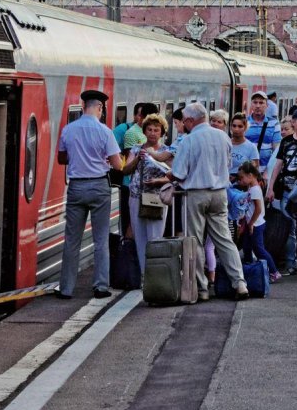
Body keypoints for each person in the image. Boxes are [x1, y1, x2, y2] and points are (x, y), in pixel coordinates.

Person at [169, 103, 249, 300]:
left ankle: (202, 288)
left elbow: (179, 173)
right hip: (220, 193)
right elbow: (228, 164)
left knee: (195, 241)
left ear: (190, 120)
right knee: (224, 239)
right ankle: (239, 283)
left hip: (196, 194)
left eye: (185, 121)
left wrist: (166, 176)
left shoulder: (188, 141)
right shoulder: (223, 137)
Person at [57, 90, 124, 299]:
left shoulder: (68, 129)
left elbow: (61, 159)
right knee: (101, 239)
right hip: (99, 187)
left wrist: (79, 158)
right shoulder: (105, 131)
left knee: (71, 240)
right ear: (100, 108)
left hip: (76, 187)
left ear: (84, 106)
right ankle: (101, 287)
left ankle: (66, 289)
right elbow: (118, 165)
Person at [119, 113, 172, 273]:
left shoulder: (166, 152)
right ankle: (143, 273)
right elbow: (125, 170)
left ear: (162, 132)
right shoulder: (136, 149)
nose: (152, 133)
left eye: (156, 130)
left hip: (157, 197)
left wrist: (158, 181)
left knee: (155, 236)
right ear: (144, 131)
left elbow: (173, 175)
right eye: (149, 129)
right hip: (136, 196)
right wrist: (137, 159)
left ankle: (154, 273)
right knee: (139, 236)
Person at [266, 108, 297, 275]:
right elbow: (278, 165)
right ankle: (290, 262)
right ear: (294, 122)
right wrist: (271, 188)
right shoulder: (286, 142)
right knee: (290, 228)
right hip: (287, 190)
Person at [235, 162, 280, 283]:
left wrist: (251, 224)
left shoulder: (255, 189)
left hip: (256, 224)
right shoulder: (251, 188)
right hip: (251, 223)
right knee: (247, 247)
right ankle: (249, 270)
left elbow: (258, 209)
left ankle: (274, 271)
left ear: (250, 175)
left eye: (242, 177)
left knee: (259, 249)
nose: (240, 180)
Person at [245, 91, 282, 172]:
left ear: (267, 105)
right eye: (255, 102)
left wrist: (269, 171)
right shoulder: (244, 122)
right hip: (246, 170)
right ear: (251, 105)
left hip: (265, 170)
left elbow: (276, 150)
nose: (258, 106)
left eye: (261, 103)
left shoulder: (274, 124)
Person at [228, 113, 259, 180]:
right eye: (234, 126)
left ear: (245, 128)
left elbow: (254, 171)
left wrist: (237, 178)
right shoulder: (226, 144)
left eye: (240, 126)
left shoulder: (251, 147)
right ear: (230, 127)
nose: (236, 129)